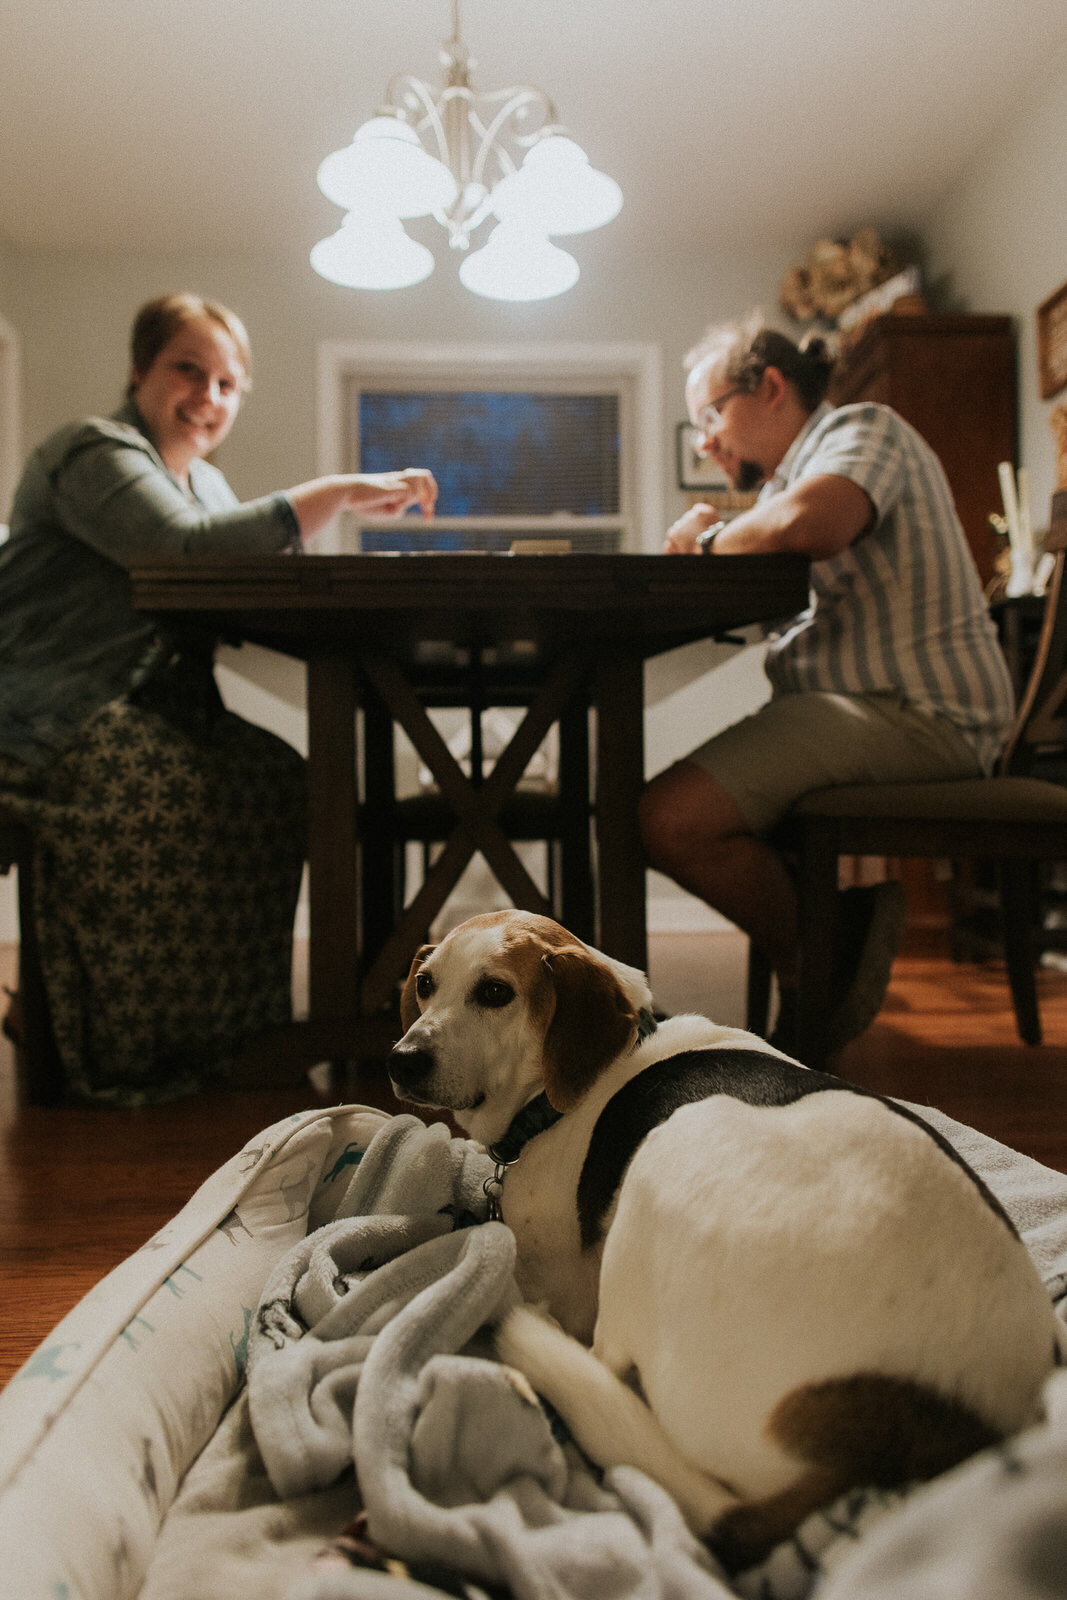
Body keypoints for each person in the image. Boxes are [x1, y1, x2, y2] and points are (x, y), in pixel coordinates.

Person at [0, 291, 437, 1103]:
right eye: (187, 371)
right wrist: (339, 492)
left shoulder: (204, 484)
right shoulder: (91, 453)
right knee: (153, 784)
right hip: (52, 713)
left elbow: (229, 565)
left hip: (156, 709)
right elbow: (182, 550)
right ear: (140, 371)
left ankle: (238, 1038)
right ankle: (111, 1043)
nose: (208, 397)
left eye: (228, 384)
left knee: (282, 781)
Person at [639, 311, 1014, 1054]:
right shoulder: (796, 475)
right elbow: (785, 524)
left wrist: (712, 541)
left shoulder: (862, 429)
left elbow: (811, 523)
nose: (704, 440)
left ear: (770, 386)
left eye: (709, 414)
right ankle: (827, 933)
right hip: (872, 710)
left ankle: (814, 955)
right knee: (671, 813)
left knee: (667, 818)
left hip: (920, 713)